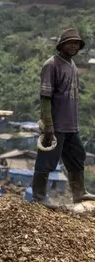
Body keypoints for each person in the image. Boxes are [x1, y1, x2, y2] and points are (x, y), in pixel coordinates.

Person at [33, 28, 95, 206]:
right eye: (70, 43)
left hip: (71, 125)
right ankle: (39, 196)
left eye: (76, 43)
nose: (73, 46)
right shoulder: (51, 65)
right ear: (61, 45)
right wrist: (48, 125)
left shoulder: (73, 65)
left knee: (77, 156)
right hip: (55, 124)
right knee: (47, 160)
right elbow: (45, 98)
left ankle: (79, 192)